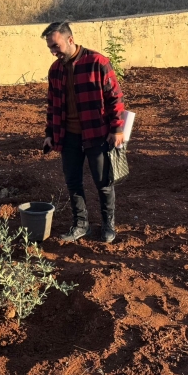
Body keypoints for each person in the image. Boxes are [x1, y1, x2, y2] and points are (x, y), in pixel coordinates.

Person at [42, 22, 125, 242]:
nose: (53, 51)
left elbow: (115, 97)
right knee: (73, 182)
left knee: (103, 182)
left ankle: (108, 225)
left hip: (97, 133)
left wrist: (117, 129)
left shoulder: (97, 62)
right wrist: (49, 133)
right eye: (50, 48)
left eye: (56, 46)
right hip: (67, 135)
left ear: (70, 40)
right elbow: (52, 104)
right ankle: (81, 224)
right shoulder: (55, 70)